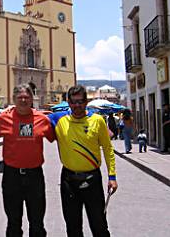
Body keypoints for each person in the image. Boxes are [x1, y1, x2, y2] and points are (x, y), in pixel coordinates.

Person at [48, 85, 118, 237]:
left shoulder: (97, 120)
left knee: (99, 225)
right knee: (73, 227)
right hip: (68, 180)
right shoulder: (59, 119)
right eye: (73, 102)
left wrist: (112, 176)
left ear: (86, 102)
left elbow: (107, 149)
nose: (77, 105)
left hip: (92, 179)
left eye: (80, 101)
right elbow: (33, 118)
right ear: (68, 102)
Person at [0, 83, 56, 237]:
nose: (23, 100)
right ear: (13, 99)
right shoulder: (3, 118)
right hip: (12, 176)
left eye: (27, 97)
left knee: (37, 223)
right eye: (20, 98)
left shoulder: (42, 119)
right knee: (13, 223)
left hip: (35, 176)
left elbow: (56, 137)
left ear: (32, 99)